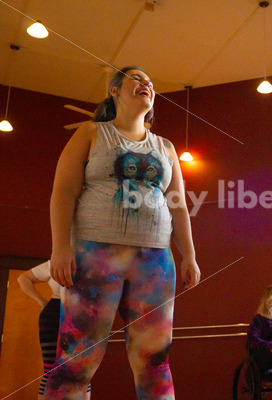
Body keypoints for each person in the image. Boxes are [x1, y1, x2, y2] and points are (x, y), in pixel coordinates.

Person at [45, 67, 201, 400]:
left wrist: (189, 255)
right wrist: (60, 247)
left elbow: (178, 206)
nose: (147, 84)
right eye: (137, 78)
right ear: (114, 90)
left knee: (154, 362)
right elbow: (63, 191)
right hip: (95, 257)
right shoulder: (90, 133)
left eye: (151, 82)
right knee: (76, 361)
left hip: (155, 261)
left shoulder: (166, 147)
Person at [17, 261, 91, 400]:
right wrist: (41, 301)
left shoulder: (93, 262)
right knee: (50, 367)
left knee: (81, 368)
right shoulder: (55, 263)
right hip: (53, 313)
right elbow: (23, 279)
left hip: (80, 314)